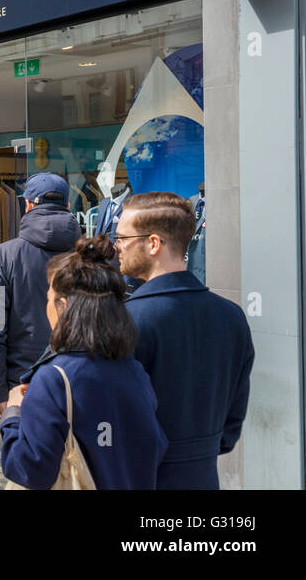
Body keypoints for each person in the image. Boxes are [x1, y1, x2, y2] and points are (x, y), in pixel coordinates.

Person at [0, 235, 168, 489]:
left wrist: (13, 415)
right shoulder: (133, 370)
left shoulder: (53, 378)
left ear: (63, 307)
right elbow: (155, 448)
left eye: (48, 299)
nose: (47, 307)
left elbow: (29, 469)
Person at [119, 192, 254, 489]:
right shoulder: (232, 316)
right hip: (203, 476)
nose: (118, 247)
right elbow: (232, 420)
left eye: (123, 238)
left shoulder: (126, 320)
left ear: (153, 243)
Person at [0, 172, 82, 415]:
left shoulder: (5, 255)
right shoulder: (91, 255)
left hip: (23, 387)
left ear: (28, 205)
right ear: (67, 206)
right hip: (82, 381)